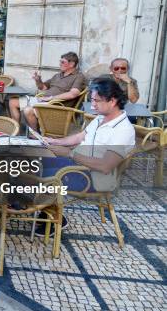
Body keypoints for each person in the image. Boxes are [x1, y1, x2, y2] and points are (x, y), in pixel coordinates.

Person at [38, 77, 136, 234]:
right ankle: (45, 210)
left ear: (112, 101)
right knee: (37, 161)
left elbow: (105, 166)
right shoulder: (100, 118)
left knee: (43, 171)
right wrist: (54, 141)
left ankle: (53, 216)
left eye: (97, 101)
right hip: (81, 167)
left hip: (96, 179)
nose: (93, 105)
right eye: (92, 100)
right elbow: (79, 137)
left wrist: (70, 154)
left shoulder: (123, 130)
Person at [9, 52, 86, 131]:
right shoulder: (58, 75)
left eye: (63, 62)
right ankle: (16, 132)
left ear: (72, 64)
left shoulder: (79, 76)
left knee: (28, 110)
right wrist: (38, 80)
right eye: (60, 61)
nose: (60, 64)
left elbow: (73, 94)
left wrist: (51, 98)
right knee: (12, 102)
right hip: (44, 101)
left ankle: (34, 135)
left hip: (56, 105)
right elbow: (43, 87)